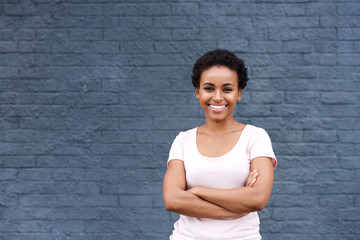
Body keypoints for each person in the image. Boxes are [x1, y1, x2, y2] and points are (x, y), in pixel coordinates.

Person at [162, 49, 277, 240]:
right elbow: (173, 200)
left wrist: (198, 191)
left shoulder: (255, 137)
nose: (217, 97)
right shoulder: (183, 140)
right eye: (209, 88)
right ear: (198, 92)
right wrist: (238, 206)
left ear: (238, 93)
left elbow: (257, 198)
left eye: (227, 89)